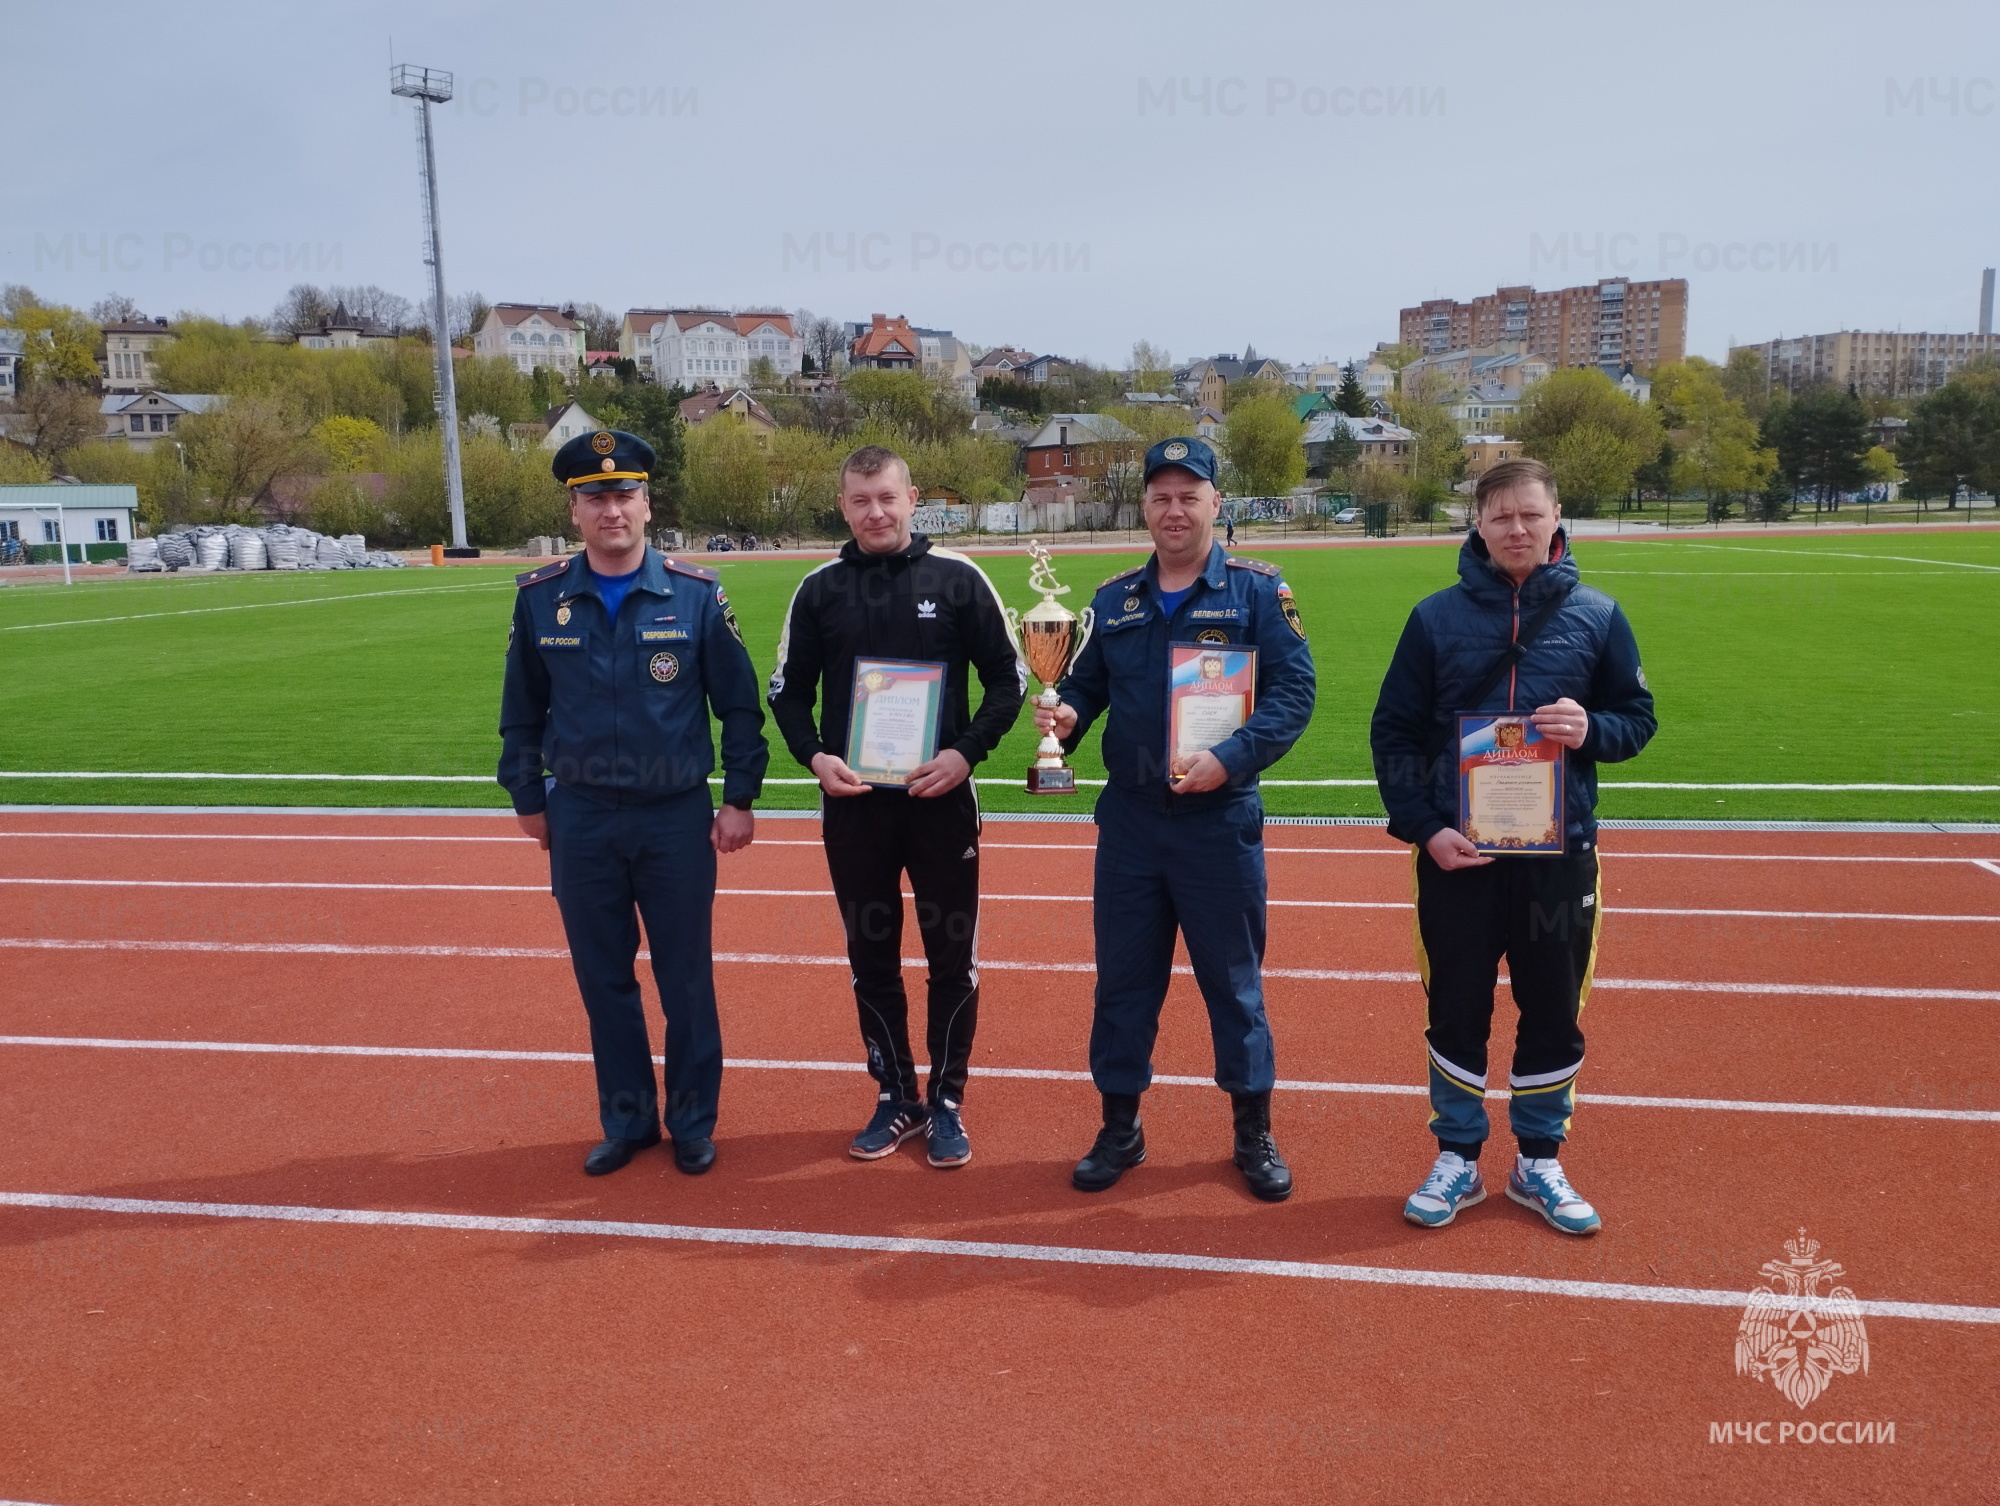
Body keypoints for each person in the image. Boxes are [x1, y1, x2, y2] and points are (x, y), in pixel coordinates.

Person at [1368, 457, 1655, 1236]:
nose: (1517, 530)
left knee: (1553, 1008)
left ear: (1556, 516)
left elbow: (1638, 719)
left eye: (1530, 515)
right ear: (1479, 526)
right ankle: (1458, 1154)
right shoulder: (1433, 619)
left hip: (1558, 861)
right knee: (1455, 1005)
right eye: (1501, 517)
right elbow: (1392, 732)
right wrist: (1426, 828)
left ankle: (1538, 1159)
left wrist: (1592, 729)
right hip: (1459, 857)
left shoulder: (1598, 615)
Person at [1035, 437, 1316, 1202]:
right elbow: (1085, 687)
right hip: (1129, 824)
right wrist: (1062, 718)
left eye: (1189, 495)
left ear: (1215, 506)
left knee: (1234, 985)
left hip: (1218, 821)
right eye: (1160, 495)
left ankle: (1251, 1131)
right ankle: (1120, 1128)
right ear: (1146, 508)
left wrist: (1234, 757)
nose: (1173, 508)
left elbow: (1294, 694)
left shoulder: (1260, 591)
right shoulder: (1111, 600)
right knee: (1123, 984)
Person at [498, 428, 769, 1178]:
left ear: (647, 504)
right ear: (574, 510)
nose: (610, 509)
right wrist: (527, 794)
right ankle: (626, 1118)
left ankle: (691, 1120)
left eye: (624, 495)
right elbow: (521, 710)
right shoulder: (540, 599)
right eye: (594, 497)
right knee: (604, 979)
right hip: (581, 816)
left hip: (673, 816)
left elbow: (739, 708)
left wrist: (740, 796)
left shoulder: (696, 593)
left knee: (686, 978)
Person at [767, 444, 1025, 1168]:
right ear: (842, 505)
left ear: (914, 499)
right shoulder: (818, 590)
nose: (875, 512)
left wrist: (964, 753)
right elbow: (786, 691)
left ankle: (945, 1101)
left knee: (952, 957)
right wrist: (816, 759)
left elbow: (1011, 683)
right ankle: (895, 1094)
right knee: (870, 956)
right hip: (855, 808)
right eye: (860, 500)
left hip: (940, 804)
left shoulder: (959, 579)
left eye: (887, 497)